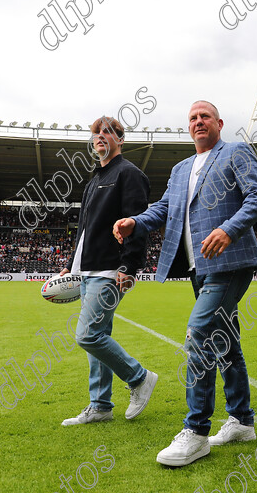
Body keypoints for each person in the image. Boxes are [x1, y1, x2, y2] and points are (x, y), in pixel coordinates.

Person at [113, 100, 257, 467]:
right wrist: (135, 221)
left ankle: (196, 432)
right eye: (193, 118)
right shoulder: (182, 168)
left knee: (198, 333)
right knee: (225, 342)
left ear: (219, 123)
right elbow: (165, 208)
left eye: (205, 117)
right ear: (189, 127)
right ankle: (242, 421)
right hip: (198, 267)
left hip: (230, 262)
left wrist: (228, 230)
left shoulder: (236, 152)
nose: (199, 122)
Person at [59, 116, 158, 426]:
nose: (100, 137)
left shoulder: (129, 174)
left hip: (111, 269)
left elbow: (137, 223)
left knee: (87, 335)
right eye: (95, 133)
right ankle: (100, 405)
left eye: (107, 132)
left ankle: (139, 378)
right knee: (98, 336)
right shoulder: (92, 180)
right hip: (87, 268)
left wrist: (129, 266)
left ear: (120, 140)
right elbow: (85, 229)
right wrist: (70, 265)